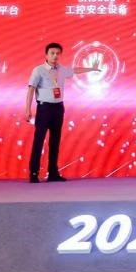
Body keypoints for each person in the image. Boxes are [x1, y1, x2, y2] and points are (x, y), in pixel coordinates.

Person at [24, 43, 100, 183]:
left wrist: (92, 69)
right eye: (52, 53)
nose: (55, 56)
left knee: (55, 141)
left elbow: (75, 70)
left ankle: (53, 173)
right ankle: (34, 173)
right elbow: (31, 89)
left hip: (58, 108)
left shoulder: (62, 70)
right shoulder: (39, 70)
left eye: (57, 53)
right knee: (39, 140)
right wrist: (28, 109)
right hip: (44, 108)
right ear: (46, 55)